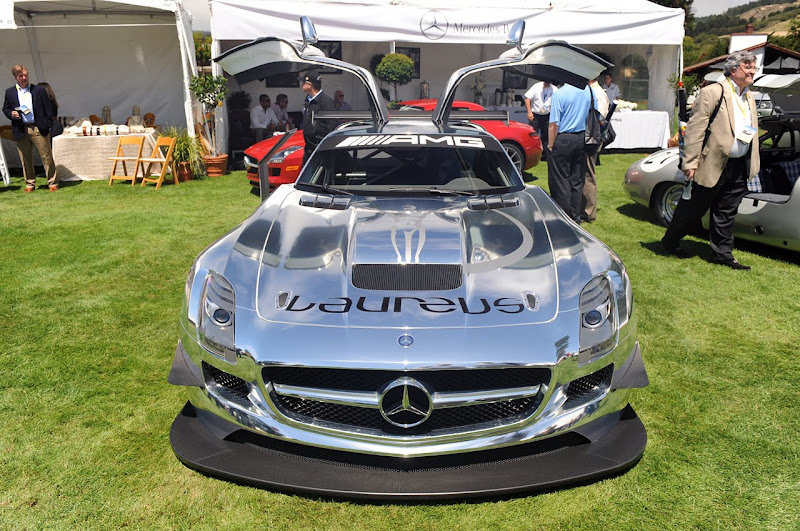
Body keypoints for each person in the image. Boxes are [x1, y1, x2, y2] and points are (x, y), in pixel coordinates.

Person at [661, 50, 759, 270]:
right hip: (712, 163)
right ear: (733, 69)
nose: (753, 71)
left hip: (738, 164)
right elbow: (695, 131)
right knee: (693, 209)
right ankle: (670, 242)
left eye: (754, 67)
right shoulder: (713, 92)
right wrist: (690, 163)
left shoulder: (749, 95)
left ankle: (723, 255)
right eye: (748, 67)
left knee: (726, 212)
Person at [2, 65, 58, 192]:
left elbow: (48, 108)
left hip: (38, 128)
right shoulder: (10, 92)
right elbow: (5, 108)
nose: (24, 78)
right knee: (25, 158)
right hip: (21, 129)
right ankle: (30, 183)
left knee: (46, 156)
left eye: (26, 75)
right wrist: (11, 113)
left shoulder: (38, 90)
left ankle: (52, 182)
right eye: (21, 76)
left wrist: (48, 124)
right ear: (15, 77)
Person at [547, 82, 592, 223]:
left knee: (560, 180)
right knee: (576, 180)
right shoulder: (587, 90)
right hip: (581, 137)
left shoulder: (560, 94)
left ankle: (563, 217)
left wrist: (550, 144)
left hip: (564, 138)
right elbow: (593, 112)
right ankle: (575, 216)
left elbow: (554, 124)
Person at [582, 77, 610, 223]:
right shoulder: (596, 91)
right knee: (586, 173)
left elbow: (599, 118)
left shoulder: (596, 92)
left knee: (588, 174)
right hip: (592, 136)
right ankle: (586, 208)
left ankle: (589, 211)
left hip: (592, 137)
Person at [301, 71, 336, 165]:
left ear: (309, 85)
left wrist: (322, 145)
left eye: (303, 82)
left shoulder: (325, 102)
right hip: (309, 148)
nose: (302, 85)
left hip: (320, 150)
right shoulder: (308, 101)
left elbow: (331, 126)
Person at [524, 80, 557, 160]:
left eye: (548, 83)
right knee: (532, 135)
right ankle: (530, 154)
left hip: (547, 115)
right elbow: (527, 98)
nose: (547, 84)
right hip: (535, 115)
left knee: (546, 136)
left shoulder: (554, 89)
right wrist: (529, 112)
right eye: (546, 83)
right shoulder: (537, 86)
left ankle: (545, 155)